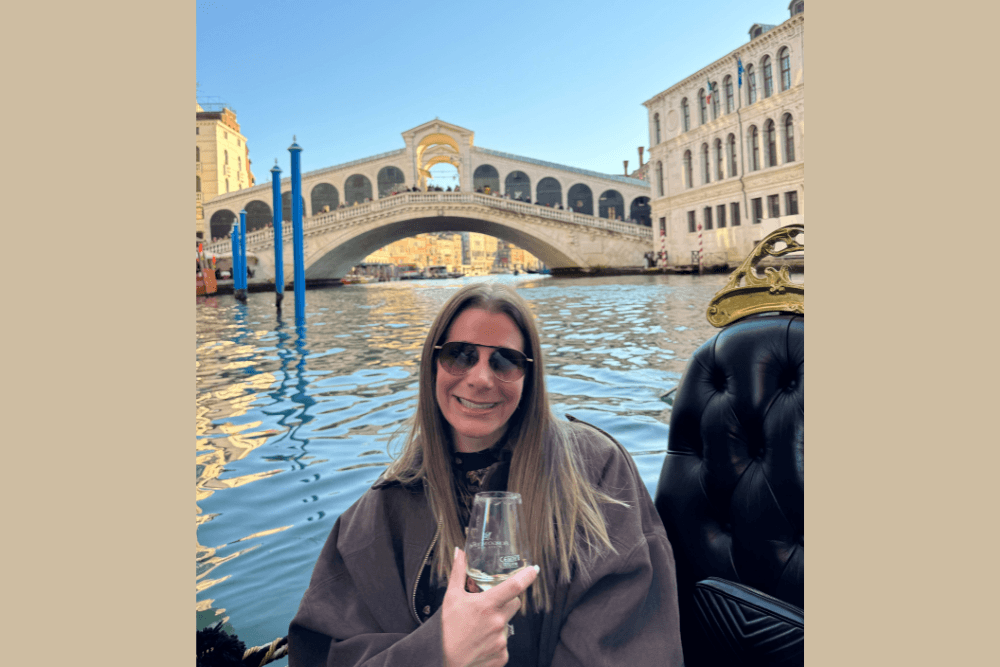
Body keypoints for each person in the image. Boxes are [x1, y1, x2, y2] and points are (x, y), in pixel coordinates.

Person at [288, 283, 683, 667]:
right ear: (432, 365)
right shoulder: (382, 507)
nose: (480, 378)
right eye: (460, 355)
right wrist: (440, 652)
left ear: (529, 377)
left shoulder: (596, 471)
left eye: (505, 361)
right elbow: (326, 652)